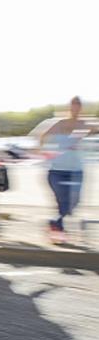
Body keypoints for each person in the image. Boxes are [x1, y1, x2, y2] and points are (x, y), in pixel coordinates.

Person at [39, 96, 98, 244]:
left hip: (76, 171)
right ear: (69, 108)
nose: (75, 109)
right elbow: (42, 137)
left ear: (81, 108)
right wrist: (44, 153)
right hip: (56, 170)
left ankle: (55, 224)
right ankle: (58, 230)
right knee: (62, 203)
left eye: (78, 106)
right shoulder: (59, 124)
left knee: (74, 202)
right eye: (73, 105)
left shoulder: (85, 124)